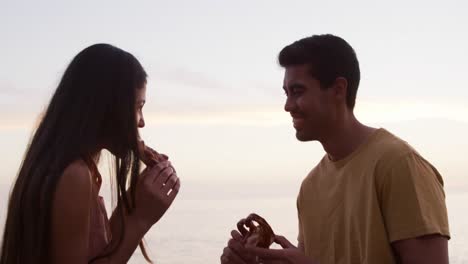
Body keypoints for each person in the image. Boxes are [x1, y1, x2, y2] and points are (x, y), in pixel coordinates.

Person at [221, 34, 450, 264]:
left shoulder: (398, 165)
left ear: (338, 89)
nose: (288, 106)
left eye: (298, 91)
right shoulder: (310, 187)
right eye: (286, 93)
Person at [0, 44, 181, 264]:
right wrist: (138, 219)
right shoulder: (74, 176)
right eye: (137, 107)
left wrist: (130, 205)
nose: (141, 121)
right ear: (107, 107)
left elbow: (97, 256)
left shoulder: (60, 167)